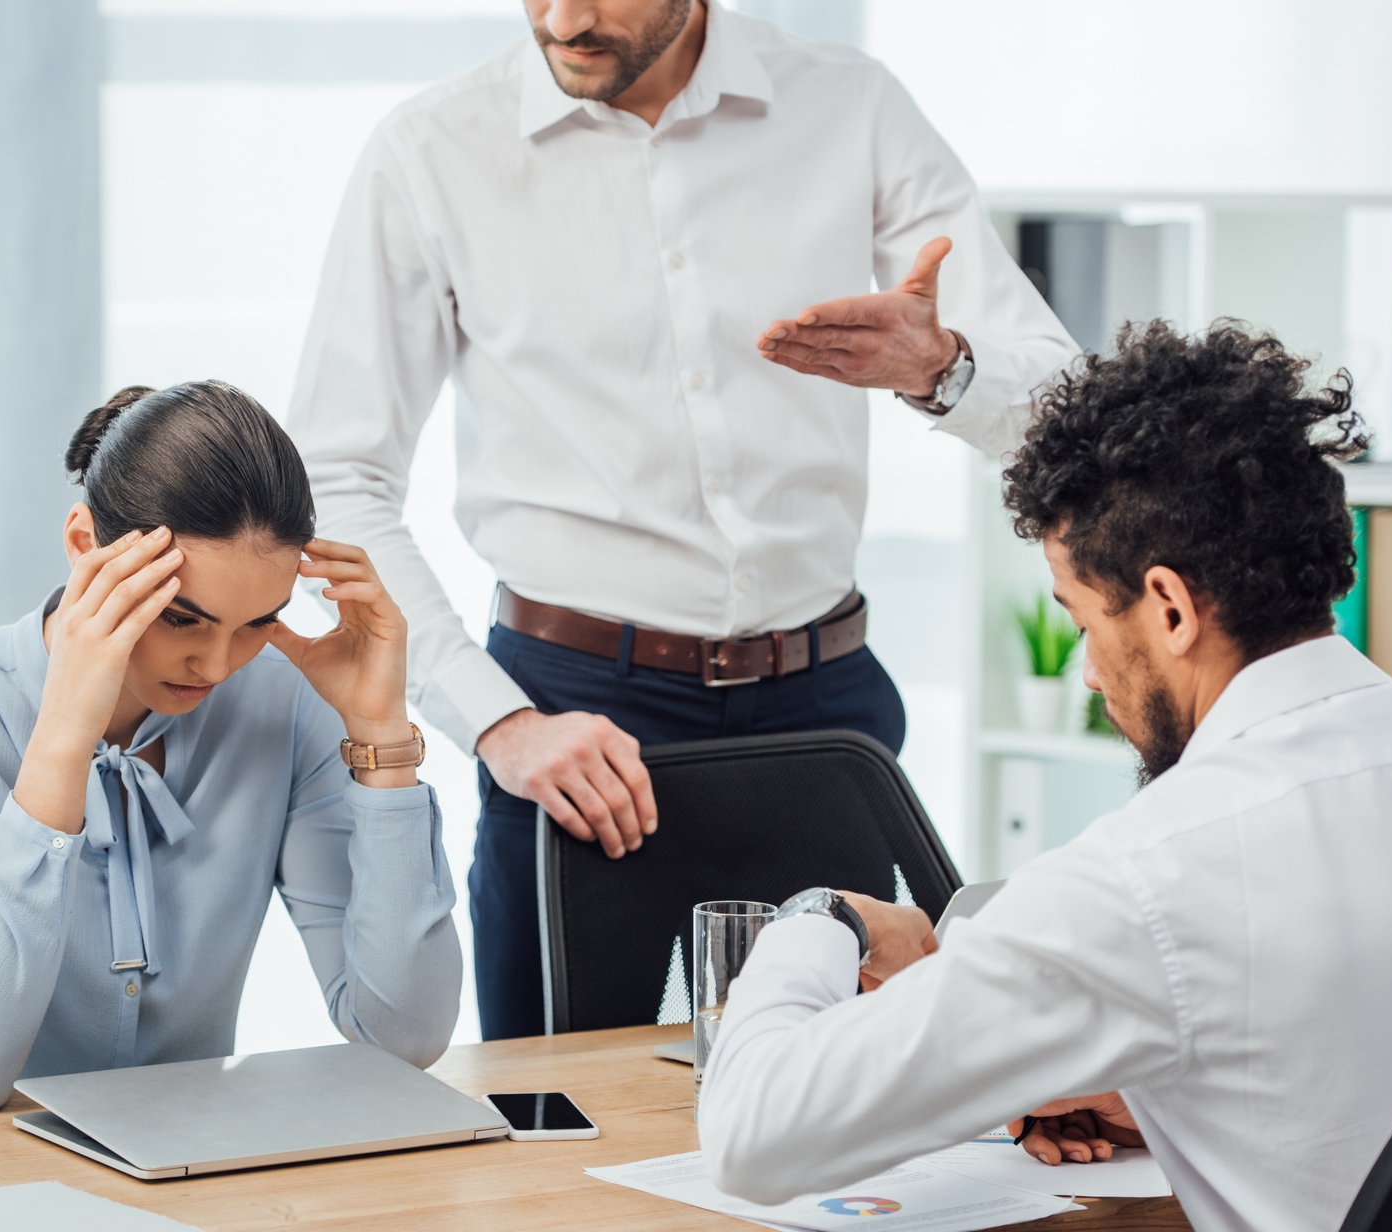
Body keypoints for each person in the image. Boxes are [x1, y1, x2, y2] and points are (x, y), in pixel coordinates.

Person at [288, 0, 1075, 1040]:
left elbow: (1063, 400)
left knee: (855, 1113)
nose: (564, 18)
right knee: (556, 1135)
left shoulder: (852, 110)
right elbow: (334, 474)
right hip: (572, 722)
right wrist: (497, 719)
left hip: (823, 716)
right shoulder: (432, 152)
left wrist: (944, 368)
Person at [697, 321, 1392, 1232]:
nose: (1088, 672)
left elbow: (751, 1134)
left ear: (1169, 608)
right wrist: (1172, 1088)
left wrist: (824, 920)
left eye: (1085, 621)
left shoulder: (1150, 880)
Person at [0, 380, 460, 1109]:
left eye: (256, 624)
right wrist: (63, 738)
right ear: (82, 545)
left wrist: (381, 735)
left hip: (158, 1162)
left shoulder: (286, 705)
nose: (217, 666)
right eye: (182, 619)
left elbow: (404, 1037)